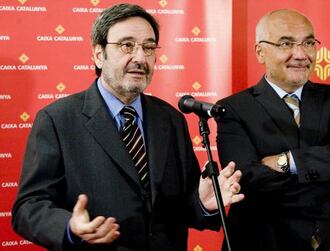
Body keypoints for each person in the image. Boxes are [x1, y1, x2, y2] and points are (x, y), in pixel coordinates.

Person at [12, 3, 243, 251]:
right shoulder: (57, 119)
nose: (140, 57)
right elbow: (28, 208)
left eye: (149, 47)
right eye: (127, 45)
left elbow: (182, 208)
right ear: (99, 54)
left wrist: (203, 203)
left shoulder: (171, 119)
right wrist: (70, 227)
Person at [216, 9, 330, 251]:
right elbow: (250, 180)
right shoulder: (232, 109)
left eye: (309, 42)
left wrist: (289, 161)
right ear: (260, 52)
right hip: (265, 240)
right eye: (286, 43)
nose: (301, 54)